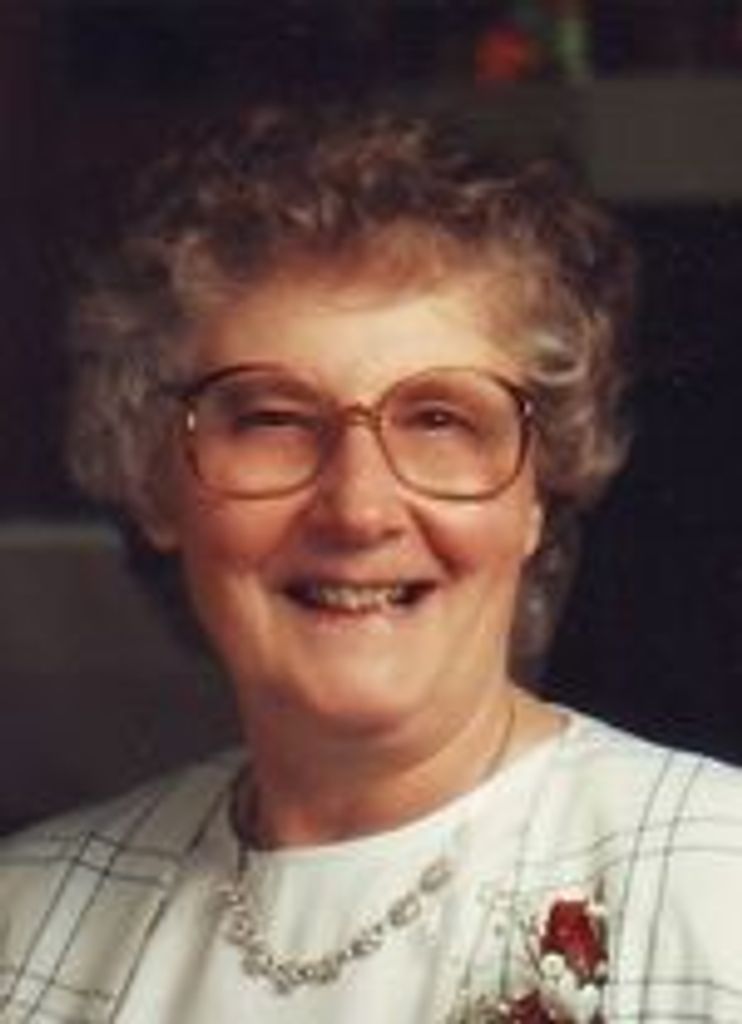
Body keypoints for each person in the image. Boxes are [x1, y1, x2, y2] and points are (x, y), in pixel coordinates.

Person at [2, 103, 742, 1024]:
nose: (358, 508)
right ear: (153, 480)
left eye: (439, 420)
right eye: (273, 419)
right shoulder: (25, 925)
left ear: (539, 494)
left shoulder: (716, 888)